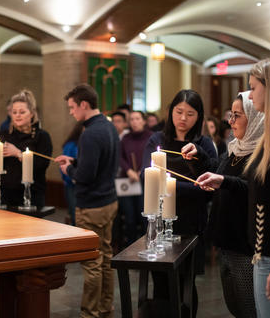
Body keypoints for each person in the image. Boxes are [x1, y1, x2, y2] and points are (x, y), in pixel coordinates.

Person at [197, 57, 270, 318]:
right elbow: (260, 188)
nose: (250, 94)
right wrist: (224, 180)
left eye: (253, 87)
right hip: (264, 251)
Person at [142, 89, 217, 317]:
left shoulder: (204, 145)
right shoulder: (157, 141)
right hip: (159, 221)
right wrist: (191, 187)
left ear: (199, 116)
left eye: (190, 113)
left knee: (186, 283)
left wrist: (169, 186)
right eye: (179, 111)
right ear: (171, 112)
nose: (183, 118)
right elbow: (147, 178)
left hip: (191, 222)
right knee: (161, 282)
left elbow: (209, 189)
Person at [192, 92, 264, 317]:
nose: (230, 121)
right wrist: (200, 156)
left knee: (249, 307)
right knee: (234, 305)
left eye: (237, 115)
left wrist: (224, 181)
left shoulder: (262, 153)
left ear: (254, 119)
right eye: (230, 115)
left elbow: (251, 187)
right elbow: (220, 172)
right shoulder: (236, 147)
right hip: (226, 239)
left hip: (244, 242)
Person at [55, 84, 119, 318]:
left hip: (92, 206)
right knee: (105, 258)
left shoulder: (90, 133)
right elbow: (100, 164)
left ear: (84, 105)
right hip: (109, 201)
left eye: (72, 107)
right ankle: (105, 306)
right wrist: (73, 160)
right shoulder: (108, 126)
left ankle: (89, 313)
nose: (71, 112)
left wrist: (68, 170)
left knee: (92, 262)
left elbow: (85, 177)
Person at [0, 89, 52, 209]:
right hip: (7, 194)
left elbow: (41, 164)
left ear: (32, 114)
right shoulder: (4, 135)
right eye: (14, 112)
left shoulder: (42, 136)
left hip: (32, 194)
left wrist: (18, 153)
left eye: (22, 112)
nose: (17, 115)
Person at [119, 110, 153, 246]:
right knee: (129, 218)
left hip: (145, 181)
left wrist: (142, 171)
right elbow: (119, 157)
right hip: (128, 181)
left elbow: (154, 156)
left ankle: (146, 246)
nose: (134, 122)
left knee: (144, 217)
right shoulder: (125, 138)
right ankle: (130, 249)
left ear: (144, 121)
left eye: (137, 119)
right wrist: (128, 170)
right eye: (132, 119)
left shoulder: (151, 137)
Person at [61, 122, 84, 226]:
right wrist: (73, 178)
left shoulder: (89, 143)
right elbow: (63, 166)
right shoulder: (71, 145)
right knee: (75, 215)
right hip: (72, 185)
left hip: (85, 184)